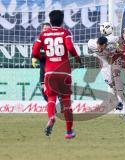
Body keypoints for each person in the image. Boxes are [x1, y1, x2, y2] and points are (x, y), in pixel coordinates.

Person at [32, 10, 81, 139]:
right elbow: (70, 48)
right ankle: (69, 132)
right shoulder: (65, 33)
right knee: (66, 102)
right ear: (62, 20)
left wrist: (43, 56)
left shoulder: (43, 34)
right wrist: (77, 58)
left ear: (51, 19)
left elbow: (35, 52)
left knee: (51, 98)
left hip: (49, 72)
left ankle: (52, 117)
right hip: (64, 71)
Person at [88, 36, 125, 121]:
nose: (100, 49)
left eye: (102, 47)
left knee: (116, 81)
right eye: (99, 46)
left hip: (112, 61)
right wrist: (91, 52)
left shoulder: (111, 42)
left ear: (106, 45)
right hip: (104, 65)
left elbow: (119, 39)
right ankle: (119, 103)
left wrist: (119, 46)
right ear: (97, 43)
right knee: (111, 85)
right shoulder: (91, 43)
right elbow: (89, 48)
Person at [32, 22, 51, 101]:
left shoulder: (54, 41)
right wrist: (33, 58)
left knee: (57, 90)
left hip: (54, 70)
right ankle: (52, 106)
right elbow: (34, 52)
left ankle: (61, 106)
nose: (46, 30)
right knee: (44, 90)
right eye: (44, 29)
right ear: (42, 30)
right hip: (43, 71)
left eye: (48, 29)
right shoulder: (38, 42)